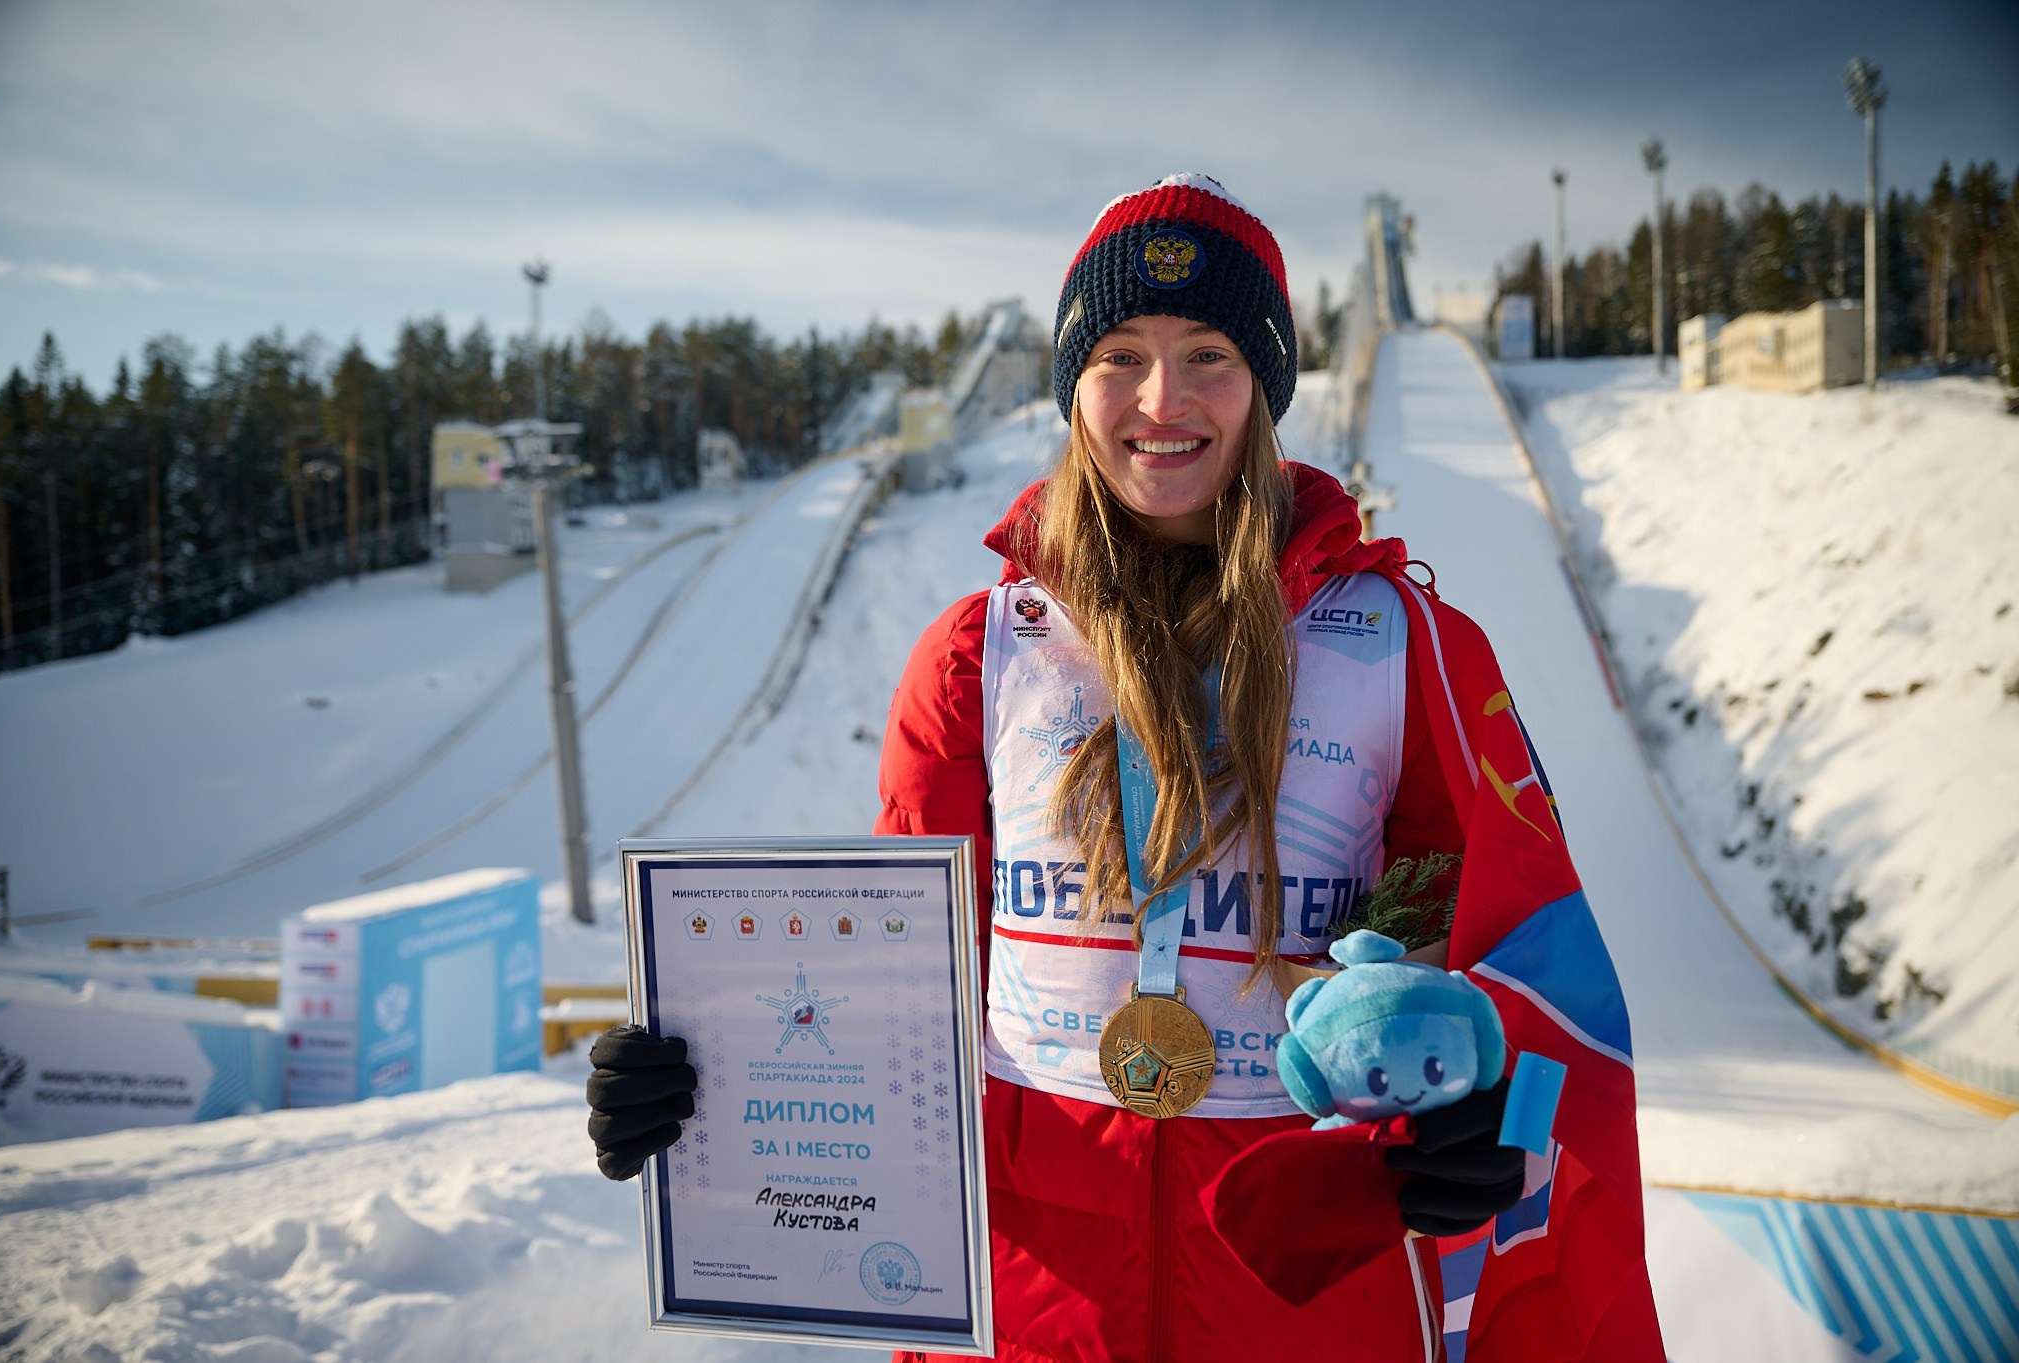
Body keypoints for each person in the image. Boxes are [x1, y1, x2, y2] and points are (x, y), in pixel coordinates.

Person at [588, 174, 1662, 1362]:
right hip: (1028, 1297)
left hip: (1307, 1284)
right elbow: (895, 987)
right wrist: (707, 1087)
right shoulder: (977, 658)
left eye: (1207, 351)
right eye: (1118, 354)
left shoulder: (1400, 647)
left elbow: (1499, 944)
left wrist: (1468, 1112)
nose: (1163, 399)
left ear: (1262, 384)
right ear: (1070, 386)